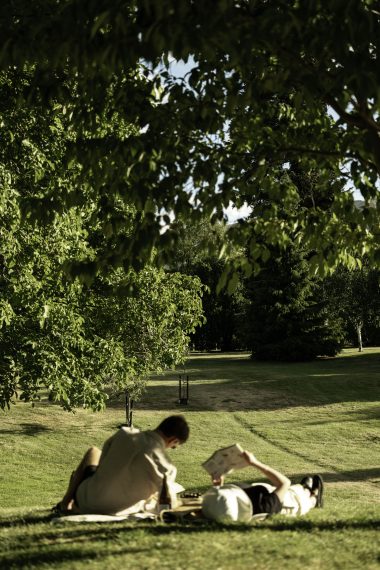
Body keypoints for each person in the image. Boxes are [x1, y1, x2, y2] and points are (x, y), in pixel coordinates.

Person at [54, 415, 189, 516]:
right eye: (173, 447)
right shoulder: (167, 467)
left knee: (93, 452)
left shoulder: (124, 434)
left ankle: (66, 502)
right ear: (173, 440)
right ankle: (67, 503)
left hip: (86, 499)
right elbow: (167, 504)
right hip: (117, 510)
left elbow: (103, 463)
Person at [202, 450, 324, 523]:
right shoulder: (263, 507)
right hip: (290, 503)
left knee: (292, 489)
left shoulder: (221, 509)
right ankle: (313, 497)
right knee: (298, 496)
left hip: (266, 491)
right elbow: (284, 483)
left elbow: (220, 502)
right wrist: (255, 463)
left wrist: (219, 486)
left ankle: (305, 489)